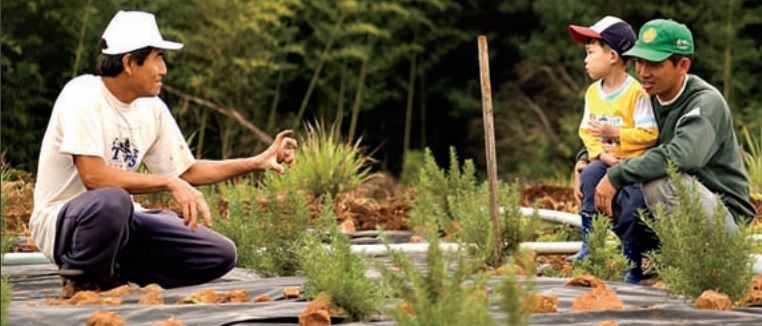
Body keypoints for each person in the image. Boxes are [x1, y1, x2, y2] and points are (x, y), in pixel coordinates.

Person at [30, 10, 297, 298]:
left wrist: (255, 162)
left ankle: (116, 274)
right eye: (158, 57)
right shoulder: (82, 95)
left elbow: (187, 171)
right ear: (130, 62)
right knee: (113, 200)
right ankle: (81, 280)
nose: (164, 69)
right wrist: (168, 183)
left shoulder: (151, 108)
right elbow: (93, 177)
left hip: (123, 220)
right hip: (64, 222)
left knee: (220, 253)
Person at [579, 19, 757, 283]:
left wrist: (617, 176)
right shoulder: (645, 96)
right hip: (679, 216)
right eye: (639, 61)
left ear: (682, 66)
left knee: (661, 180)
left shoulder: (704, 102)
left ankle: (719, 263)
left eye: (654, 64)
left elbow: (682, 156)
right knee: (597, 172)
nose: (643, 72)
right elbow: (611, 131)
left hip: (722, 217)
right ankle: (640, 260)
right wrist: (583, 160)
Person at [566, 16, 658, 265]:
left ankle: (633, 259)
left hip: (631, 164)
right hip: (605, 159)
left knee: (632, 203)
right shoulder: (592, 93)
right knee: (588, 178)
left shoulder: (636, 93)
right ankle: (590, 244)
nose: (585, 60)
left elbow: (650, 134)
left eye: (590, 52)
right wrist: (599, 155)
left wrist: (617, 134)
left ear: (613, 56)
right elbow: (586, 131)